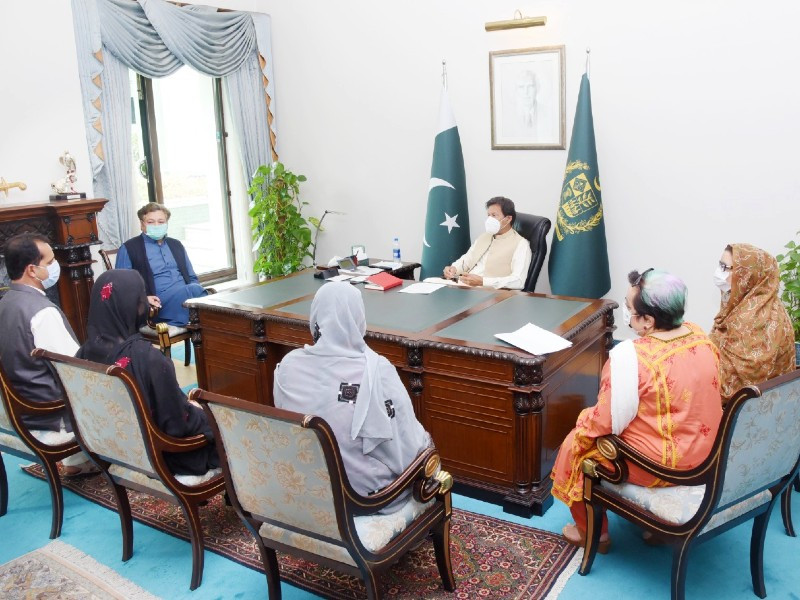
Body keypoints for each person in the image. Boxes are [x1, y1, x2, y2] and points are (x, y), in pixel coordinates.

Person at [550, 269, 723, 551]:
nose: (628, 317)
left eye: (630, 311)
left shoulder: (631, 357)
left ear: (648, 320)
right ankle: (655, 529)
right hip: (706, 457)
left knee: (576, 444)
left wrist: (582, 422)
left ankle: (593, 534)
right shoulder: (701, 337)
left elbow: (605, 422)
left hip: (660, 468)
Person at [273, 282, 431, 513]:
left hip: (305, 487)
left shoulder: (288, 365)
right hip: (365, 498)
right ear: (359, 318)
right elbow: (406, 447)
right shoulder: (377, 370)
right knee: (426, 450)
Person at [77, 269, 218, 476]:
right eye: (141, 297)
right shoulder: (148, 359)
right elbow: (179, 425)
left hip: (117, 449)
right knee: (230, 426)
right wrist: (204, 413)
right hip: (165, 456)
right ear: (133, 305)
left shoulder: (83, 353)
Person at [0, 233, 94, 475]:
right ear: (32, 270)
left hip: (16, 408)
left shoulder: (5, 303)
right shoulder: (42, 313)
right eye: (51, 261)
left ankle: (77, 460)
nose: (55, 266)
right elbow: (76, 370)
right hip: (48, 415)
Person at [710, 244, 795, 403]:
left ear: (748, 275)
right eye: (719, 265)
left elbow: (732, 390)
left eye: (725, 267)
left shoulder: (751, 322)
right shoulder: (767, 305)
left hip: (749, 415)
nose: (718, 273)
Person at [115, 203, 207, 325]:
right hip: (158, 304)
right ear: (142, 225)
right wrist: (143, 299)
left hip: (187, 296)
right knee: (198, 297)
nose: (156, 225)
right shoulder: (129, 248)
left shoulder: (176, 245)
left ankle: (187, 321)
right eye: (151, 222)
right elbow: (122, 287)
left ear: (167, 224)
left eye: (161, 222)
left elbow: (192, 277)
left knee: (194, 289)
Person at [442, 197, 532, 289]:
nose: (489, 219)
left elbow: (518, 281)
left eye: (494, 215)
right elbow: (467, 259)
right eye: (488, 215)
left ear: (508, 219)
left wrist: (483, 282)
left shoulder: (521, 244)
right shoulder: (484, 236)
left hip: (490, 295)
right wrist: (453, 269)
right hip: (463, 287)